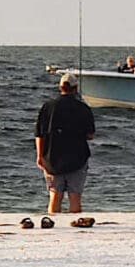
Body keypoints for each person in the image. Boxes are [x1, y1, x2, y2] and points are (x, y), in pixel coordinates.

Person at [34, 72, 96, 214]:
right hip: (77, 158)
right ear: (75, 88)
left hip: (52, 159)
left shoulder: (47, 107)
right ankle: (75, 228)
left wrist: (39, 156)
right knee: (75, 198)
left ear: (60, 87)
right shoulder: (83, 108)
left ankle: (54, 228)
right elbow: (90, 135)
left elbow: (39, 134)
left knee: (55, 196)